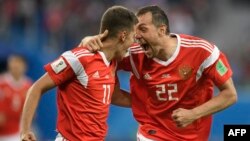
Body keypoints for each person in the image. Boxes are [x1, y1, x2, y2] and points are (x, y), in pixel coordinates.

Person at [80, 5, 237, 141]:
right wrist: (88, 39)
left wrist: (193, 114)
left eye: (143, 29)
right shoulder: (134, 54)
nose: (137, 36)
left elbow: (230, 95)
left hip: (194, 135)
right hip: (153, 131)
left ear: (162, 30)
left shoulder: (202, 52)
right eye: (135, 31)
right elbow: (101, 52)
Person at [20, 6, 137, 141]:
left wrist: (147, 102)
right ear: (123, 35)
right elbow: (36, 88)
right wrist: (25, 130)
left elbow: (114, 96)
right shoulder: (80, 58)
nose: (133, 43)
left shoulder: (112, 63)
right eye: (133, 37)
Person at [0, 54, 32, 141]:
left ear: (24, 66)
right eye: (13, 62)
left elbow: (31, 111)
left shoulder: (28, 85)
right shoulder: (2, 82)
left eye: (18, 63)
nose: (15, 66)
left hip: (15, 133)